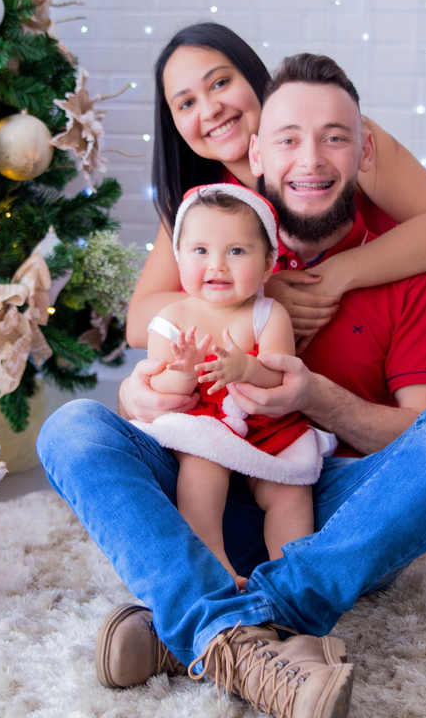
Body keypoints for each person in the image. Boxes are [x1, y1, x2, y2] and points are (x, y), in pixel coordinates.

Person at [37, 52, 426, 718]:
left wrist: (316, 397)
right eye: (289, 140)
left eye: (334, 138)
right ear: (255, 153)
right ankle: (251, 632)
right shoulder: (226, 242)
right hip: (201, 481)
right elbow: (155, 329)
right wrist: (139, 395)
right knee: (72, 427)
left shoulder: (408, 271)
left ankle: (207, 622)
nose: (310, 160)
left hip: (327, 514)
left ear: (364, 152)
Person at [128, 22, 426, 353]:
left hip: (380, 338)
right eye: (186, 103)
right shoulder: (200, 200)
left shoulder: (339, 138)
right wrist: (258, 297)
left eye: (220, 83)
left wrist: (337, 273)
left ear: (252, 77)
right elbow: (138, 321)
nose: (210, 110)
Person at [135, 184, 337, 590]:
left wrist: (246, 367)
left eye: (237, 251)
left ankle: (289, 575)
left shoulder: (269, 314)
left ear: (267, 265)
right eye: (200, 250)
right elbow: (160, 388)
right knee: (201, 468)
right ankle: (213, 562)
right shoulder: (170, 319)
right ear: (178, 257)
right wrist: (184, 372)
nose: (218, 265)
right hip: (204, 425)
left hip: (265, 428)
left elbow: (280, 377)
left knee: (290, 490)